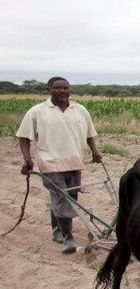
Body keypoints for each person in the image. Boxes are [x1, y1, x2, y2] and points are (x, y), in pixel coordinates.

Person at [16, 77, 102, 254]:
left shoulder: (80, 110)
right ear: (48, 89)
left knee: (70, 198)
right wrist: (27, 158)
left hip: (75, 162)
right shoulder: (37, 111)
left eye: (65, 87)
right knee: (63, 200)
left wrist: (95, 151)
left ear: (70, 89)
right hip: (50, 163)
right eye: (57, 88)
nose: (61, 91)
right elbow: (24, 137)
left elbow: (89, 134)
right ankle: (68, 239)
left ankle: (57, 232)